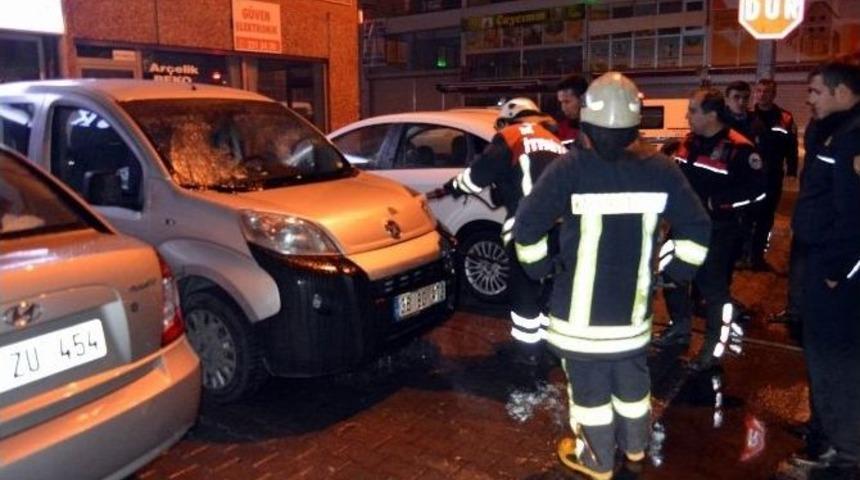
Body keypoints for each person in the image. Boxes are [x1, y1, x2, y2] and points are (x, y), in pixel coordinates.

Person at [513, 72, 711, 479]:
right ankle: (635, 450)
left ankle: (597, 461)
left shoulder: (569, 169)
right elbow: (697, 228)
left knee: (589, 394)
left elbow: (526, 227)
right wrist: (675, 272)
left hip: (579, 319)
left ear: (586, 124)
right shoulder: (662, 170)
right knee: (632, 385)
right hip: (634, 314)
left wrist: (540, 268)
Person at [443, 97, 567, 379]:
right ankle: (547, 348)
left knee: (524, 293)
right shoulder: (553, 140)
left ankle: (527, 356)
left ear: (507, 120)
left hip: (529, 230)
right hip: (563, 230)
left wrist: (453, 186)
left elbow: (476, 178)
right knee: (548, 290)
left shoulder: (511, 136)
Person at [783, 61, 860, 480]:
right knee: (817, 352)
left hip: (836, 269)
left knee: (836, 359)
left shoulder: (853, 139)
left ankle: (844, 453)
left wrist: (837, 271)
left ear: (843, 92)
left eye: (815, 91)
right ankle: (824, 429)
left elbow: (855, 216)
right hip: (814, 256)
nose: (808, 99)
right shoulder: (829, 131)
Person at [653, 88, 766, 370]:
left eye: (692, 110)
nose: (687, 116)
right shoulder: (689, 143)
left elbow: (758, 192)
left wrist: (718, 204)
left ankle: (713, 349)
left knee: (713, 292)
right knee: (672, 278)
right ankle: (678, 330)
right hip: (681, 226)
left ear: (712, 115)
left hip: (719, 231)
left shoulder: (739, 149)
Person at [746, 78, 798, 271]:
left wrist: (792, 170)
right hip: (749, 176)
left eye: (766, 91)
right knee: (746, 215)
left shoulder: (785, 118)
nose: (762, 95)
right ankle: (743, 255)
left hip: (772, 176)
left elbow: (791, 147)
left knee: (766, 217)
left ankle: (757, 258)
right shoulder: (747, 116)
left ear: (774, 94)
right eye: (759, 91)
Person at [555, 74, 589, 145]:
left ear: (582, 100)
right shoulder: (562, 128)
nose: (563, 108)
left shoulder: (597, 130)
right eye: (561, 103)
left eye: (567, 102)